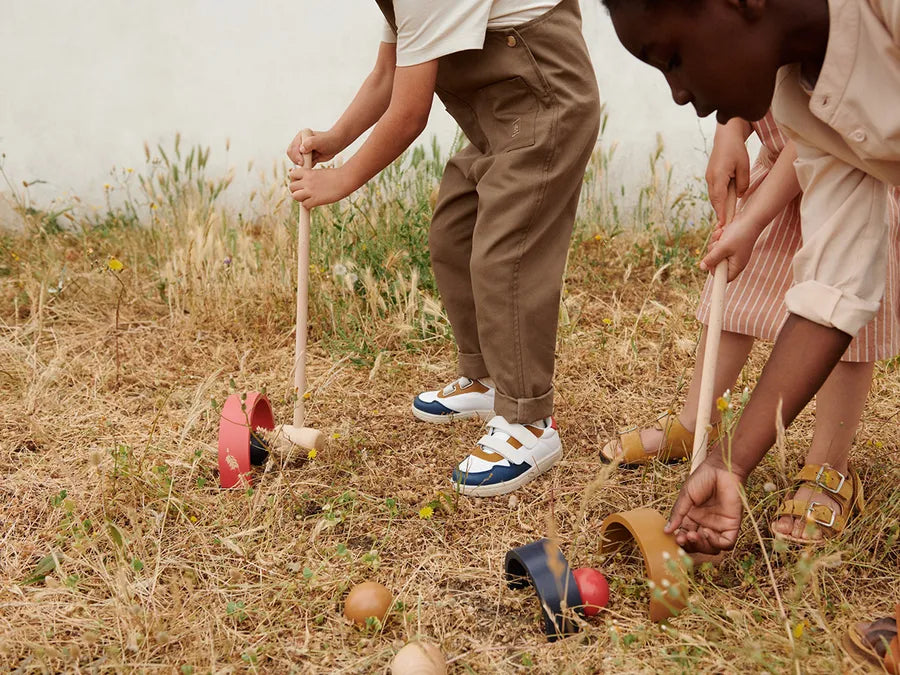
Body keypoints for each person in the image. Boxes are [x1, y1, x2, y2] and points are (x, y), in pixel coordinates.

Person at [601, 0, 900, 553]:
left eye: (672, 59)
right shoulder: (805, 105)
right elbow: (834, 290)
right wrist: (729, 464)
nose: (678, 93)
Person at [286, 0, 600, 496]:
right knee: (453, 233)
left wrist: (342, 179)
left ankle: (529, 421)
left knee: (505, 255)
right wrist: (336, 138)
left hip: (545, 107)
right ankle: (486, 377)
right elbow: (386, 74)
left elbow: (410, 113)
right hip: (499, 122)